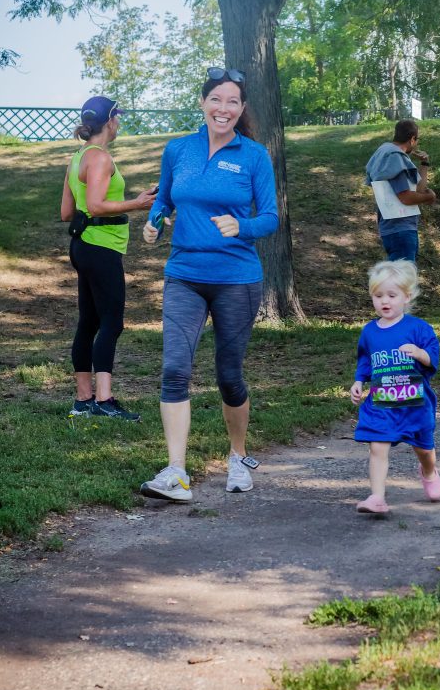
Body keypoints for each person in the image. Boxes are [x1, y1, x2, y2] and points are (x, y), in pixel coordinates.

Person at [140, 67, 279, 502]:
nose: (224, 108)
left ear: (241, 109)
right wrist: (153, 223)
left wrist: (241, 226)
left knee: (228, 375)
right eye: (216, 99)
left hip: (237, 279)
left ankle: (238, 456)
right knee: (174, 369)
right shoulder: (178, 149)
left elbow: (270, 217)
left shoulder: (254, 155)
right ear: (203, 103)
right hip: (184, 275)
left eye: (232, 101)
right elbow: (163, 198)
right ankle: (176, 472)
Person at [61, 95, 157, 421]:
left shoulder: (77, 158)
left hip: (82, 246)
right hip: (102, 248)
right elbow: (98, 205)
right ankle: (104, 399)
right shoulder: (100, 158)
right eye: (119, 117)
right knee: (112, 322)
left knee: (89, 321)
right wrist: (137, 203)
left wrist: (91, 210)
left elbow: (65, 212)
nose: (120, 124)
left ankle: (83, 400)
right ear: (110, 120)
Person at [350, 259, 440, 515]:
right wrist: (359, 381)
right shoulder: (370, 331)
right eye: (378, 295)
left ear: (407, 296)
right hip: (382, 402)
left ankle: (428, 470)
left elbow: (433, 357)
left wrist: (420, 353)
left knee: (424, 449)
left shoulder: (418, 328)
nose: (385, 301)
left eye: (392, 295)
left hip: (414, 403)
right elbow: (365, 360)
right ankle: (377, 497)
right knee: (377, 447)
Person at [365, 119, 436, 262]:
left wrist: (424, 163)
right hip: (400, 229)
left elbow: (418, 190)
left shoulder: (384, 152)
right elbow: (406, 197)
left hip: (392, 227)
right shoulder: (395, 158)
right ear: (412, 139)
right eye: (417, 140)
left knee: (400, 279)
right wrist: (430, 197)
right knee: (402, 282)